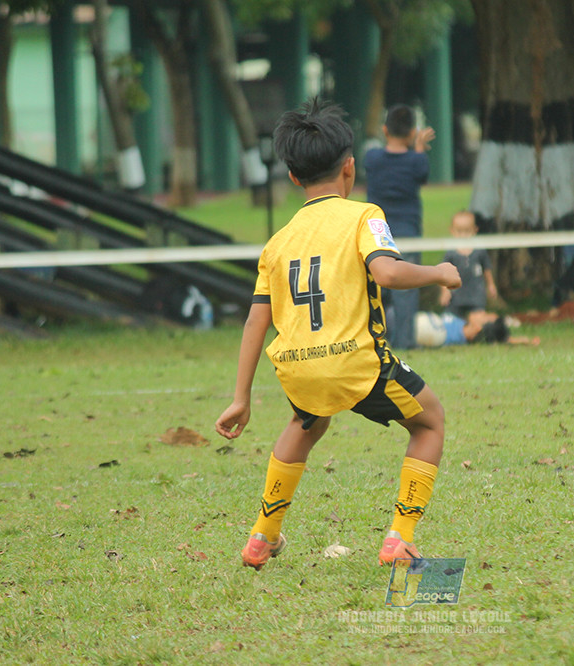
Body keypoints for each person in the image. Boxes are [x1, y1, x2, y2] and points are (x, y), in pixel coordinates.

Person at [214, 98, 461, 572]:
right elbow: (386, 273)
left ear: (293, 178)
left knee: (307, 423)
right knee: (429, 421)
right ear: (349, 169)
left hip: (301, 368)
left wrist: (241, 397)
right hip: (356, 362)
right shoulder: (364, 215)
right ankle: (399, 539)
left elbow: (254, 322)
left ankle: (262, 537)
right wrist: (439, 273)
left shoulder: (278, 241)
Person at [364, 104, 435, 348]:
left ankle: (373, 343)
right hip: (408, 233)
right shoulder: (417, 161)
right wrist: (418, 148)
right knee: (406, 292)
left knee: (373, 291)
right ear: (412, 132)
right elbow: (421, 172)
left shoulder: (371, 158)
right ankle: (404, 344)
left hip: (376, 234)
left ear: (385, 129)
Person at [438, 210, 499, 319]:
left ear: (475, 230)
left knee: (478, 319)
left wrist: (491, 285)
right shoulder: (451, 253)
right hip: (456, 296)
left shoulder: (479, 251)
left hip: (476, 295)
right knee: (453, 320)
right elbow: (443, 273)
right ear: (452, 231)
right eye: (459, 231)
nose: (463, 235)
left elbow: (487, 269)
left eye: (467, 231)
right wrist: (444, 291)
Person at [415, 310, 539, 348]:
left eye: (485, 315)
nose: (481, 311)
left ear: (478, 328)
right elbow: (505, 339)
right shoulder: (461, 322)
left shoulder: (449, 335)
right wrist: (524, 340)